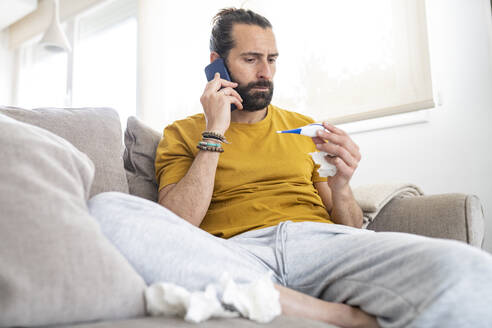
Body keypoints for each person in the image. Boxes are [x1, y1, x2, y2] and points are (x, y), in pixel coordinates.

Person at [89, 8, 492, 328]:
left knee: (471, 268)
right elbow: (176, 224)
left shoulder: (302, 127)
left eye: (272, 59)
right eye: (251, 59)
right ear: (217, 65)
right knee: (108, 209)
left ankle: (275, 303)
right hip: (235, 255)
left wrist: (345, 184)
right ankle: (336, 316)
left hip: (319, 244)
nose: (266, 73)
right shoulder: (182, 133)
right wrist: (215, 131)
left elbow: (350, 230)